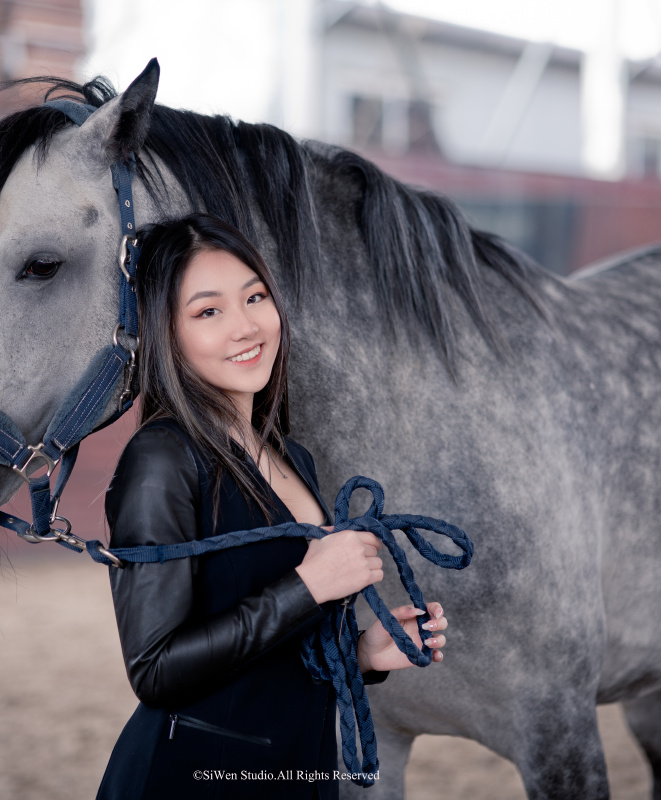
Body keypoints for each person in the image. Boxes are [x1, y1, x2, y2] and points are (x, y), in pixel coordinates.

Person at [95, 213, 450, 800]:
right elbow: (154, 669)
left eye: (255, 297)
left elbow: (271, 647)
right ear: (164, 332)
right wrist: (309, 584)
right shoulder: (162, 459)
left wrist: (361, 654)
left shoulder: (291, 456)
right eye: (208, 311)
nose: (246, 327)